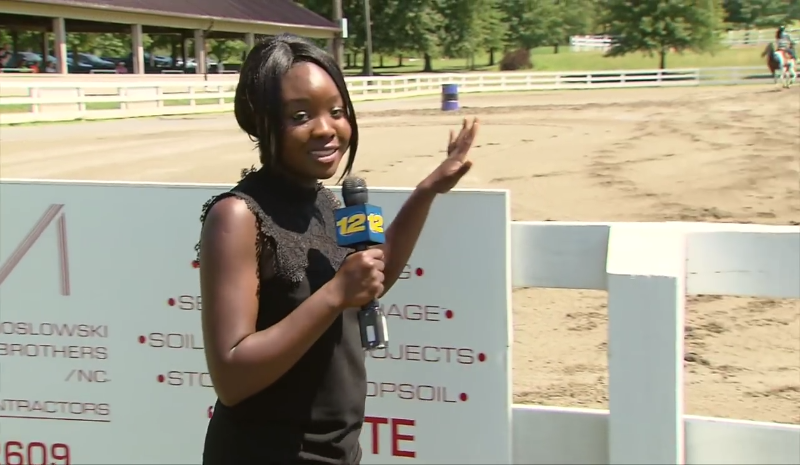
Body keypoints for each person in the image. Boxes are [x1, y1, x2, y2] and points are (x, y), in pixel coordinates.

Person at [196, 33, 479, 464]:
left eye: (338, 111)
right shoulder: (237, 217)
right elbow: (232, 376)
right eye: (301, 114)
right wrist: (333, 295)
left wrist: (426, 191)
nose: (327, 129)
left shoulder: (327, 202)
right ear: (260, 119)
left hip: (338, 453)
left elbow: (370, 280)